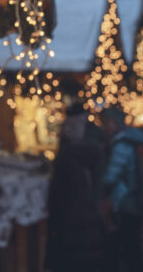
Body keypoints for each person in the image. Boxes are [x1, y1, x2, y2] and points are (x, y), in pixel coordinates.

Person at [45, 105, 107, 272]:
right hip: (88, 222)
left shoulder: (70, 155)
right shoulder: (96, 149)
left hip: (72, 222)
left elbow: (58, 195)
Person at [101, 108, 143, 272]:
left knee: (128, 248)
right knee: (132, 246)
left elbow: (112, 175)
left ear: (112, 122)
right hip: (134, 200)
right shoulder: (132, 141)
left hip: (125, 201)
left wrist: (99, 183)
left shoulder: (121, 144)